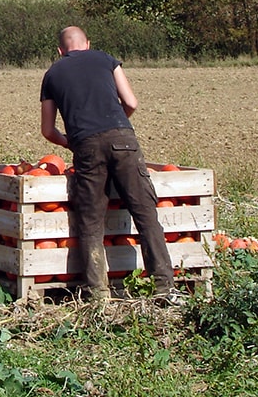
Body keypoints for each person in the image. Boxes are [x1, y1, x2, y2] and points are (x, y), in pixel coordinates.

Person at [40, 25, 185, 306]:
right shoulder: (106, 59)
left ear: (60, 50)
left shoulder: (53, 74)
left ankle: (98, 295)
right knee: (145, 213)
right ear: (88, 43)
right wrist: (117, 121)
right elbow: (131, 102)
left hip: (86, 146)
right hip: (123, 139)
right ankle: (165, 287)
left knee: (91, 221)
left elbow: (48, 130)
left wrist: (72, 142)